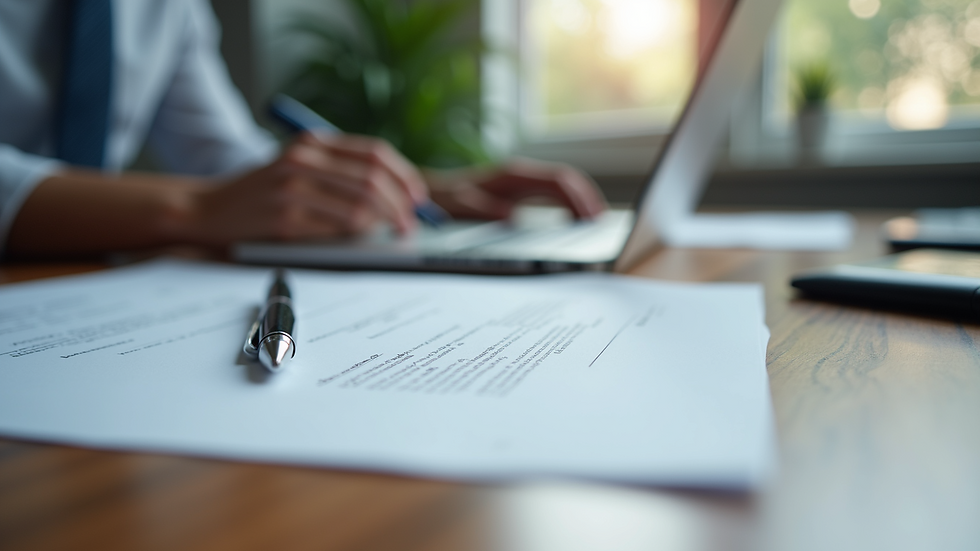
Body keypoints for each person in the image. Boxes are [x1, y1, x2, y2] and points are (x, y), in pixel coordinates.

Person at [0, 0, 605, 259]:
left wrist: (424, 189)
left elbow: (231, 161)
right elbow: (213, 197)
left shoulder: (169, 9)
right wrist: (193, 210)